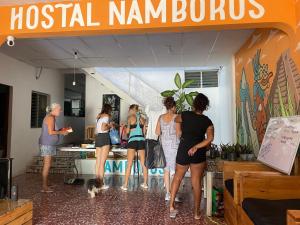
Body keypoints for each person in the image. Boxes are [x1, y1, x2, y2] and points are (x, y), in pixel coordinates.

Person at [169, 93, 214, 220]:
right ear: (205, 107)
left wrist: (179, 132)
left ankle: (171, 206)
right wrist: (196, 147)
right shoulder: (207, 121)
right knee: (196, 183)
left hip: (183, 149)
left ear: (194, 104)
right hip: (198, 153)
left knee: (177, 178)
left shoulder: (185, 114)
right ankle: (196, 213)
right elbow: (210, 138)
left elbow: (175, 120)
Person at [39, 103, 69, 193]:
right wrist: (61, 133)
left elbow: (53, 130)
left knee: (48, 164)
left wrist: (62, 130)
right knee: (47, 165)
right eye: (59, 109)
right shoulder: (50, 118)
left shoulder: (52, 117)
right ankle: (44, 187)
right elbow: (51, 132)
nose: (61, 111)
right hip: (46, 144)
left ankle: (46, 183)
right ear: (54, 109)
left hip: (49, 144)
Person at [155, 97, 181, 201]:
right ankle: (173, 194)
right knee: (174, 170)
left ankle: (167, 194)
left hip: (164, 146)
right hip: (174, 146)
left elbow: (157, 132)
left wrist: (165, 133)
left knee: (166, 170)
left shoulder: (161, 117)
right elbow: (179, 133)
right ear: (173, 107)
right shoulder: (176, 117)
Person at [121, 104, 148, 191]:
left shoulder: (130, 118)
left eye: (129, 109)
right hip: (141, 141)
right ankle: (145, 183)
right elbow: (144, 132)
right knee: (143, 163)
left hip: (132, 141)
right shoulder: (143, 119)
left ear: (132, 109)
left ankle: (125, 185)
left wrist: (124, 128)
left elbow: (127, 132)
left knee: (129, 164)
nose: (129, 111)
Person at [95, 104, 113, 190]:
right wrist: (110, 125)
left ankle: (97, 183)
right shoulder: (107, 116)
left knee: (98, 162)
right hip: (104, 137)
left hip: (98, 137)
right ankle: (101, 184)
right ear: (109, 110)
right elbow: (103, 128)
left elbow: (99, 128)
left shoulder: (98, 116)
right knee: (102, 163)